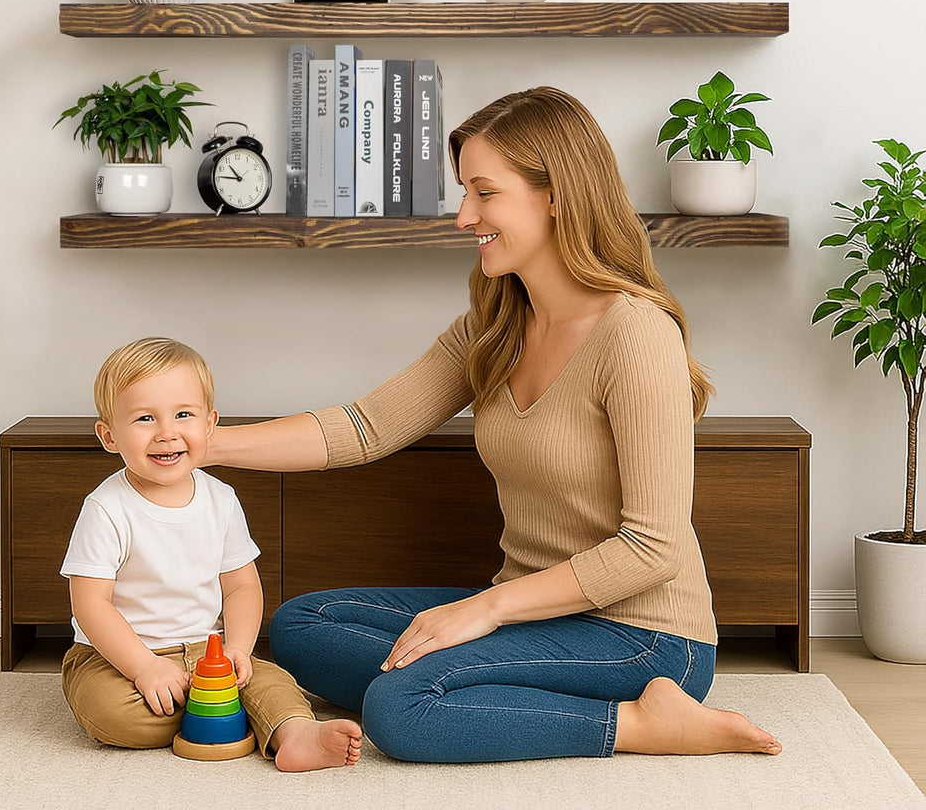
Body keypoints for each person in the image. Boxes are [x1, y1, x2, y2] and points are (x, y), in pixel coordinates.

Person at [204, 86, 783, 763]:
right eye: (464, 194)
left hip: (645, 635)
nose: (463, 217)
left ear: (555, 195)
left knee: (400, 708)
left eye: (484, 193)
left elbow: (652, 547)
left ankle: (642, 723)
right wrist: (204, 444)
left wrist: (487, 611)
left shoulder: (635, 334)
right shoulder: (493, 328)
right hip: (533, 610)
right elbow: (364, 428)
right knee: (303, 625)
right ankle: (489, 695)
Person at [59, 337, 362, 771]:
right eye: (145, 418)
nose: (167, 432)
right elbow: (90, 604)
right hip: (115, 655)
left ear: (209, 424)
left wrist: (238, 648)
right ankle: (221, 712)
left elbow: (241, 585)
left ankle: (294, 733)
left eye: (183, 414)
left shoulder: (220, 499)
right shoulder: (107, 507)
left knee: (272, 680)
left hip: (208, 648)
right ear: (110, 436)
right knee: (112, 712)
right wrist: (145, 668)